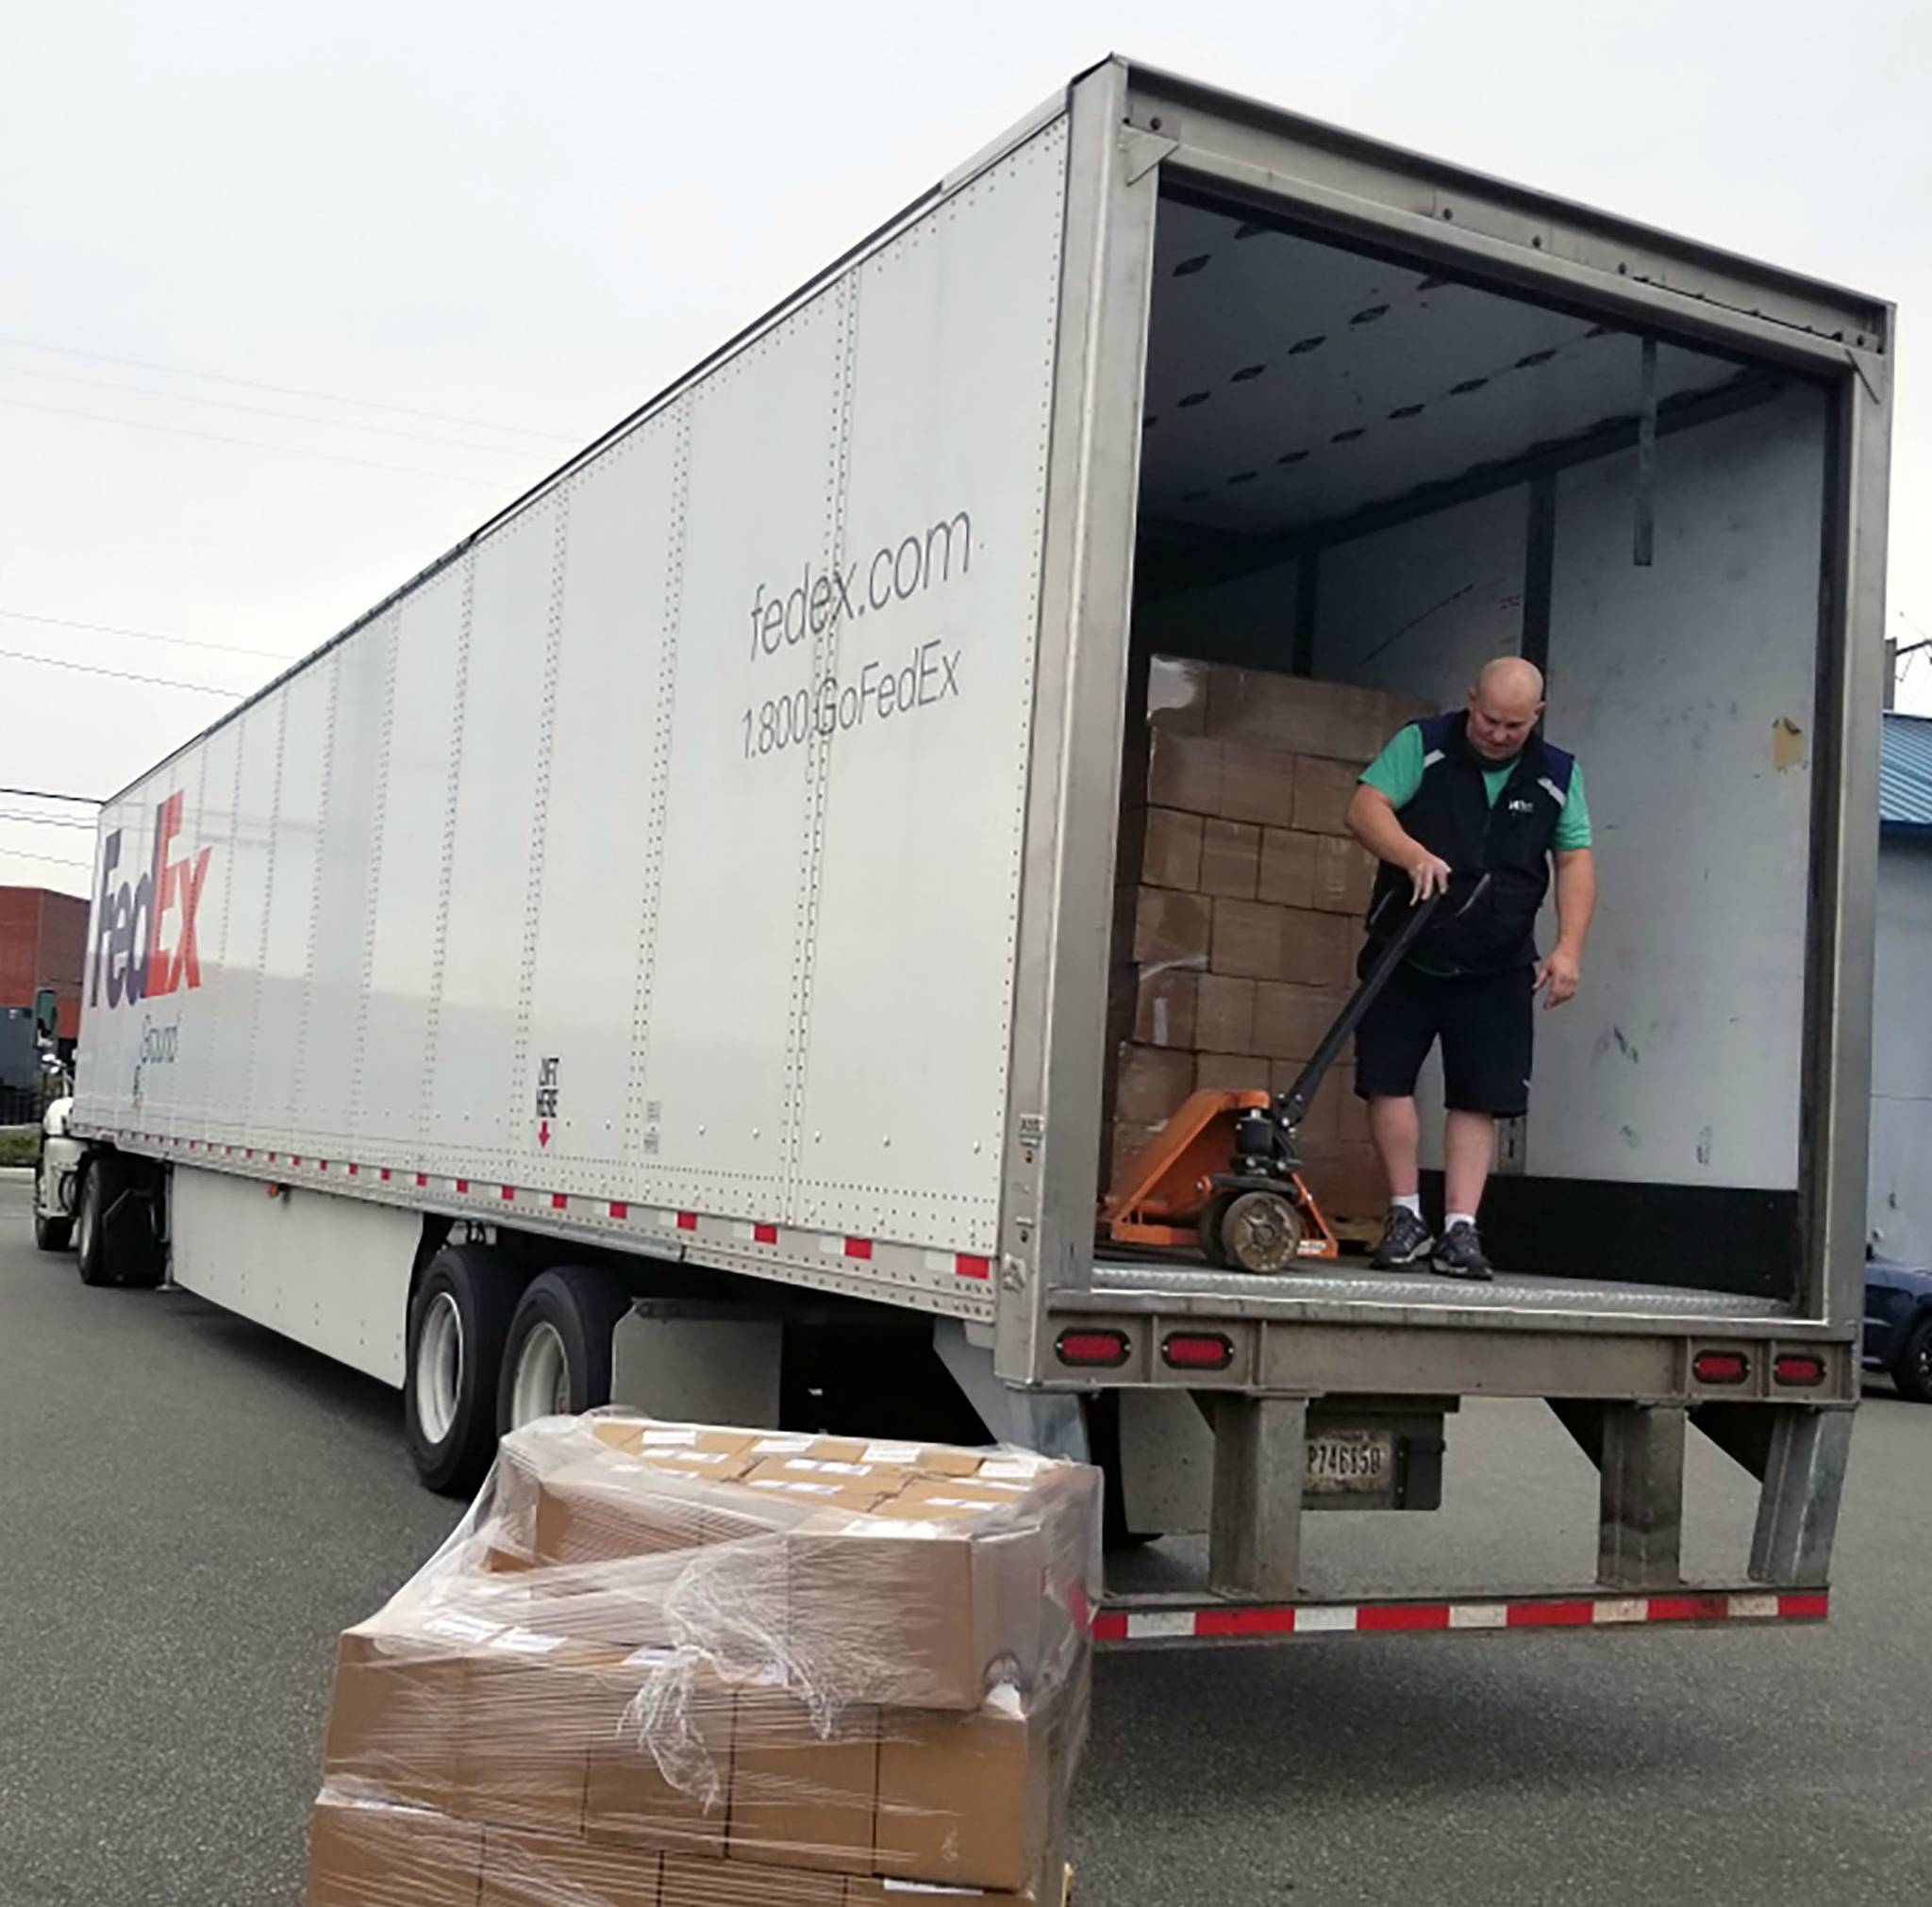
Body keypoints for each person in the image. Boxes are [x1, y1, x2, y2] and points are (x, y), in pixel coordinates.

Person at [1343, 656, 1596, 1281]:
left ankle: (1461, 1228)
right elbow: (1365, 806)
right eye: (1488, 719)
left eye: (1514, 725)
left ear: (1535, 717)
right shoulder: (1423, 744)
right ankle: (1404, 1215)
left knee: (1479, 1095)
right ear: (1470, 701)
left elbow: (1573, 859)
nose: (1498, 734)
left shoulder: (1558, 776)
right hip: (1407, 946)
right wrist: (1410, 853)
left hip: (1497, 961)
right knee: (1387, 1079)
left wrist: (1569, 948)